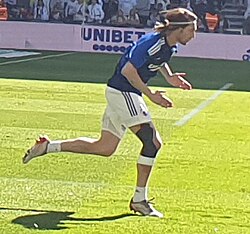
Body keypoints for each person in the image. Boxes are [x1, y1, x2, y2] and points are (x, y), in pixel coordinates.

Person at [23, 7, 197, 218]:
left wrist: (170, 78)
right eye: (191, 30)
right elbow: (128, 71)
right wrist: (151, 95)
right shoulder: (154, 43)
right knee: (152, 143)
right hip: (124, 91)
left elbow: (158, 61)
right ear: (178, 29)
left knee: (104, 147)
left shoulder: (167, 46)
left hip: (121, 93)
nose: (193, 35)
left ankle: (47, 147)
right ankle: (139, 200)